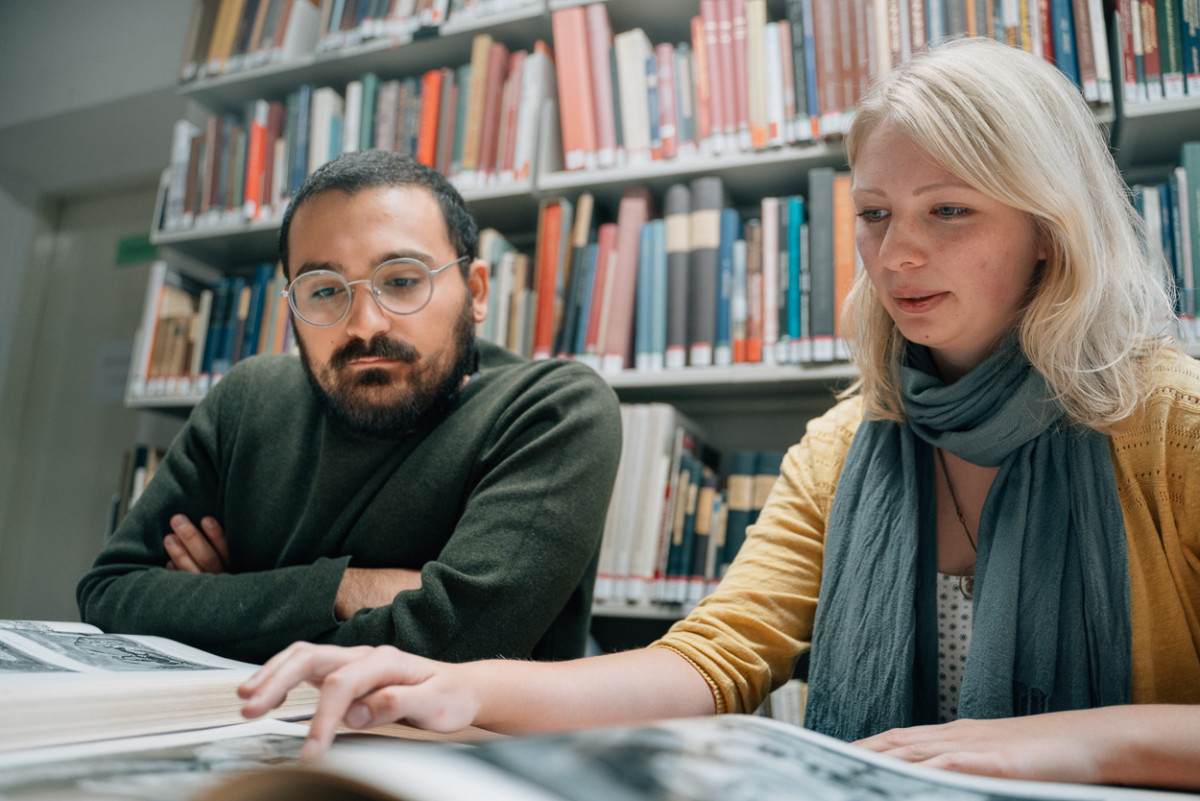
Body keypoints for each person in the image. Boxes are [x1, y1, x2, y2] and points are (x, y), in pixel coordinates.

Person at [237, 38, 1200, 789]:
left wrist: (1068, 743)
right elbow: (713, 658)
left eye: (948, 211)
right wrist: (454, 685)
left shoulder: (1173, 427)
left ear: (1048, 229)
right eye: (873, 214)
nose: (897, 254)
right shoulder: (846, 445)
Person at [77, 151, 622, 666]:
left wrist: (224, 602)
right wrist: (344, 590)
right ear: (290, 303)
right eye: (324, 291)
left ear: (476, 291)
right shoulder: (245, 401)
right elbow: (110, 595)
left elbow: (458, 646)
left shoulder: (552, 410)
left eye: (403, 281)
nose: (364, 324)